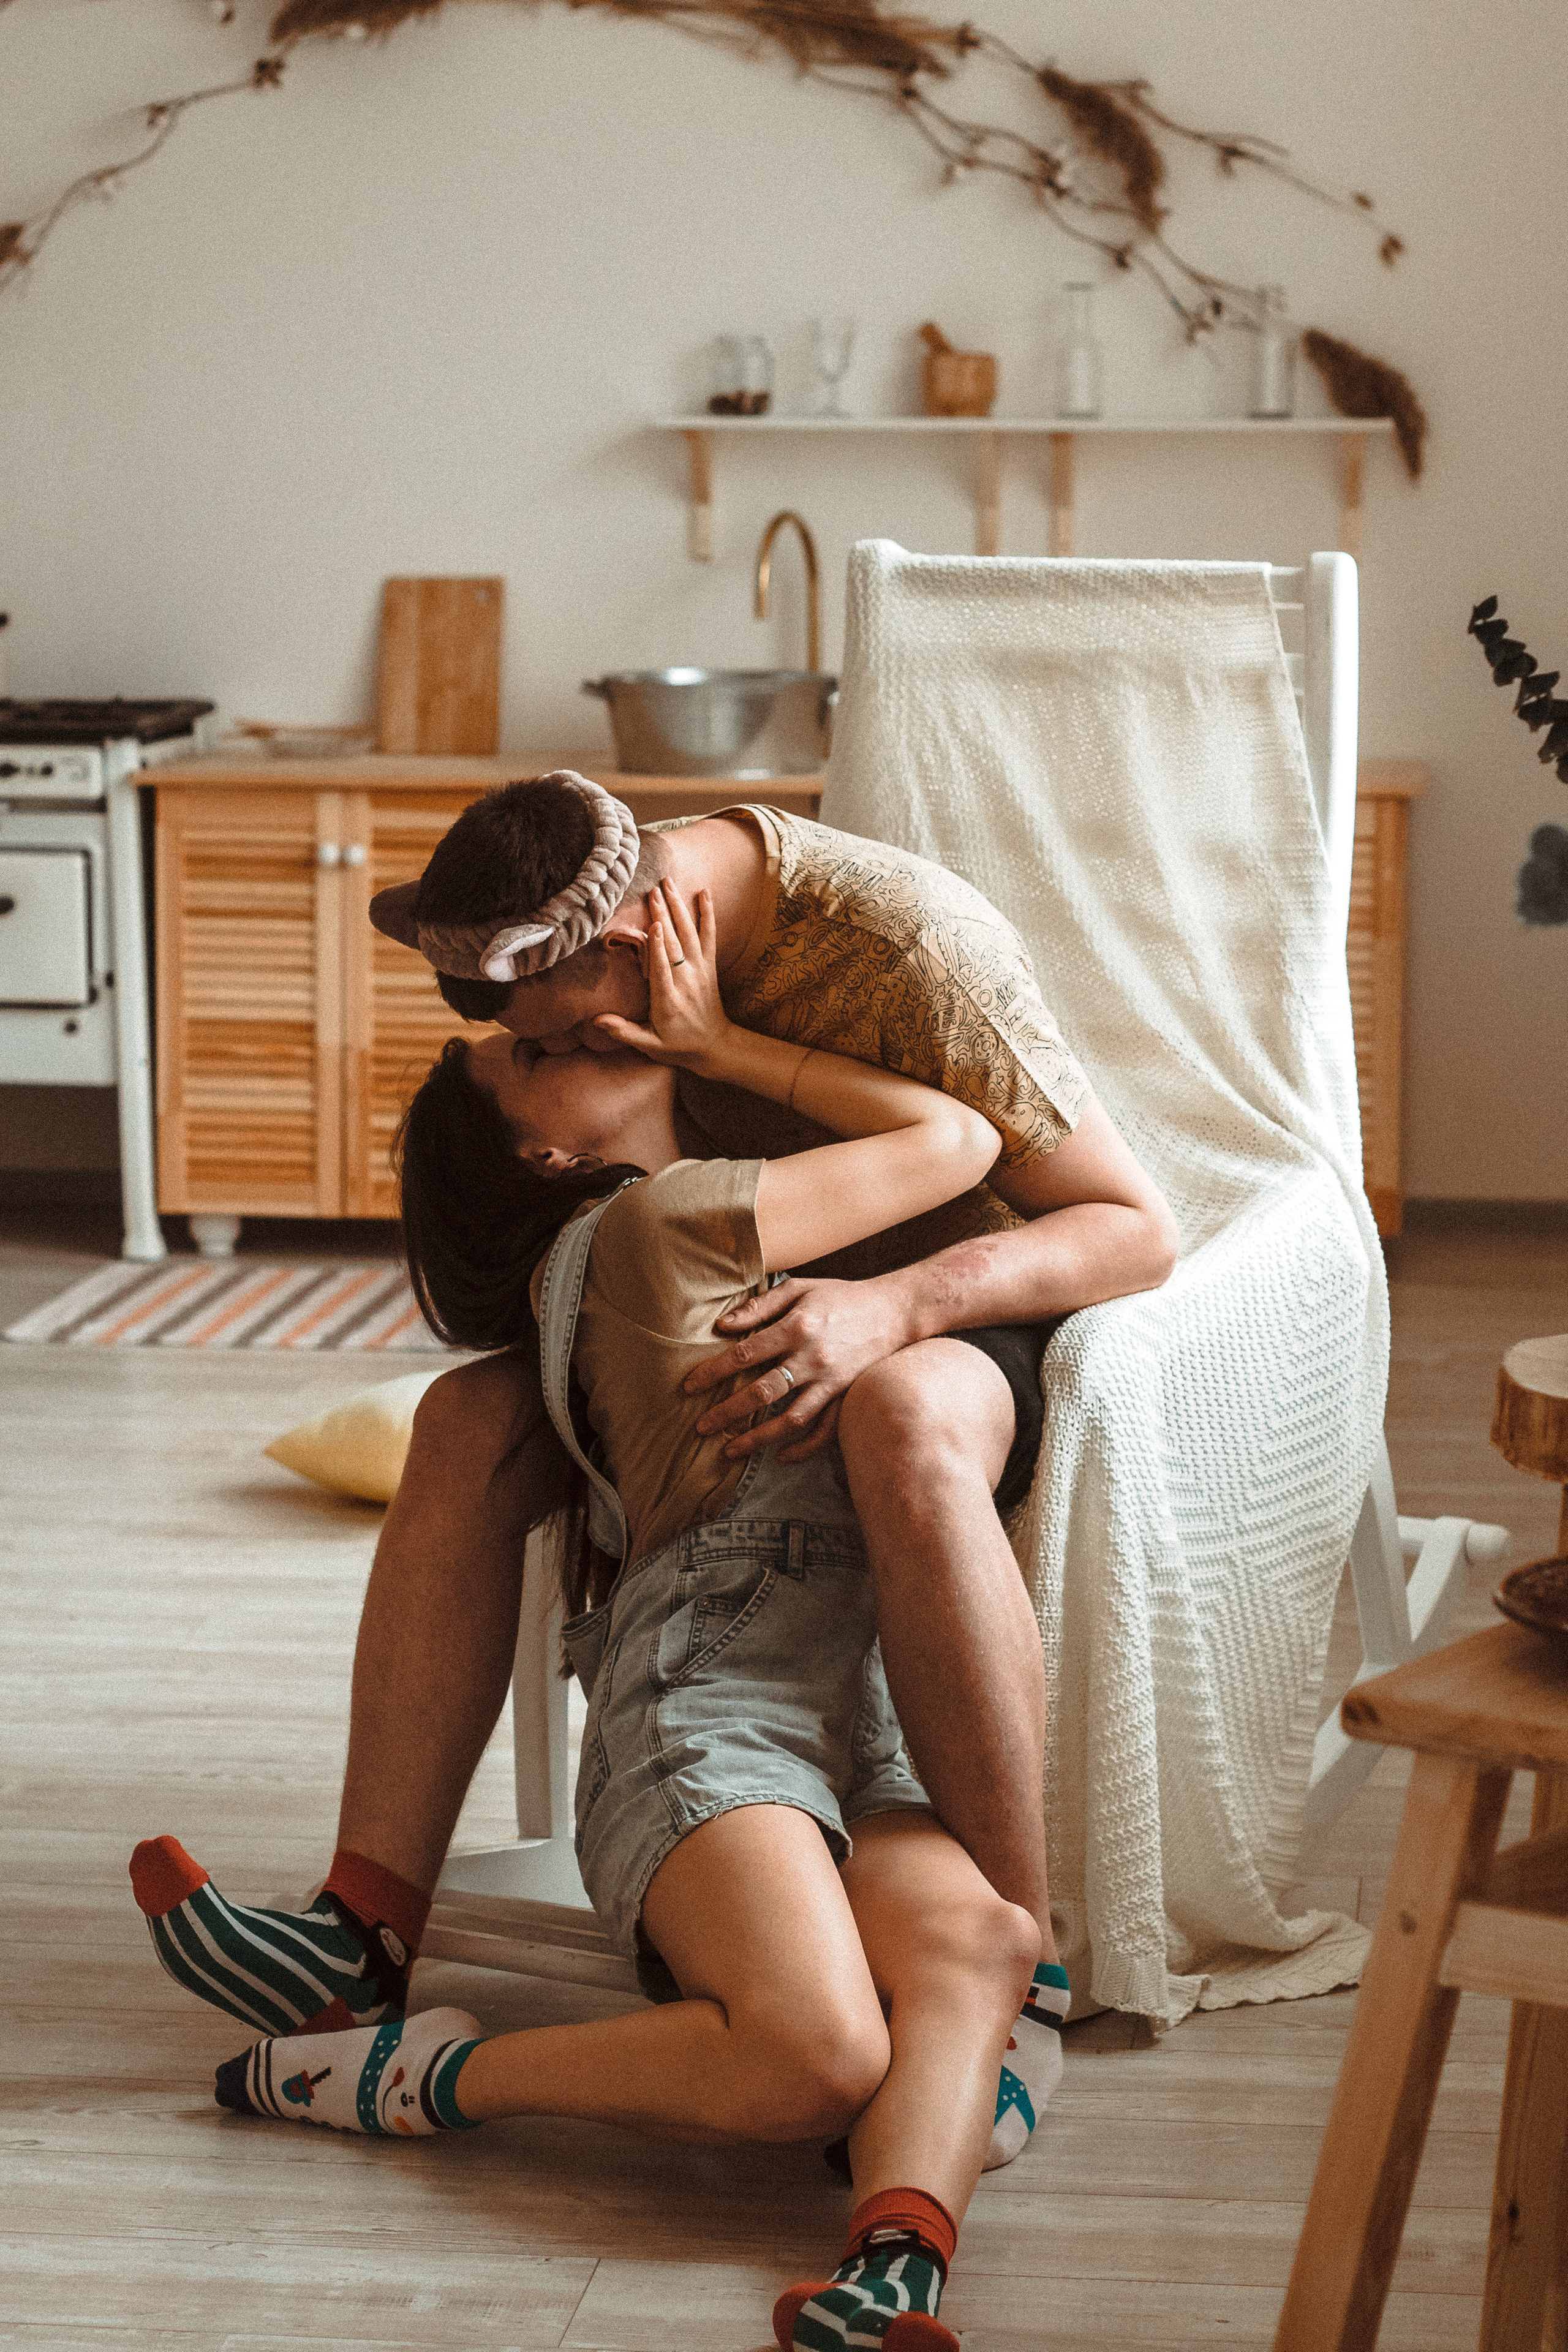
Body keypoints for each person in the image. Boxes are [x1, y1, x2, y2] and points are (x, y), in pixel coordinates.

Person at [130, 771, 1176, 2168]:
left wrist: (895, 1308)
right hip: (725, 1296)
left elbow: (1129, 1228)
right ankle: (358, 1933)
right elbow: (612, 1232)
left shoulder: (903, 951)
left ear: (623, 949)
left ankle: (1021, 1966)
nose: (519, 1038)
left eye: (540, 1030)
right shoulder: (626, 1136)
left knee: (896, 1419)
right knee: (462, 1422)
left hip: (954, 1305)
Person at [198, 877, 1048, 2352]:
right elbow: (960, 1138)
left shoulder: (683, 1233)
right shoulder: (663, 1228)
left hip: (855, 1696)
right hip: (707, 1705)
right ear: (546, 1144)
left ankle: (889, 2272)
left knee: (977, 1944)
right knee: (821, 2051)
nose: (565, 1020)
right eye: (530, 1047)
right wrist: (718, 1043)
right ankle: (426, 2078)